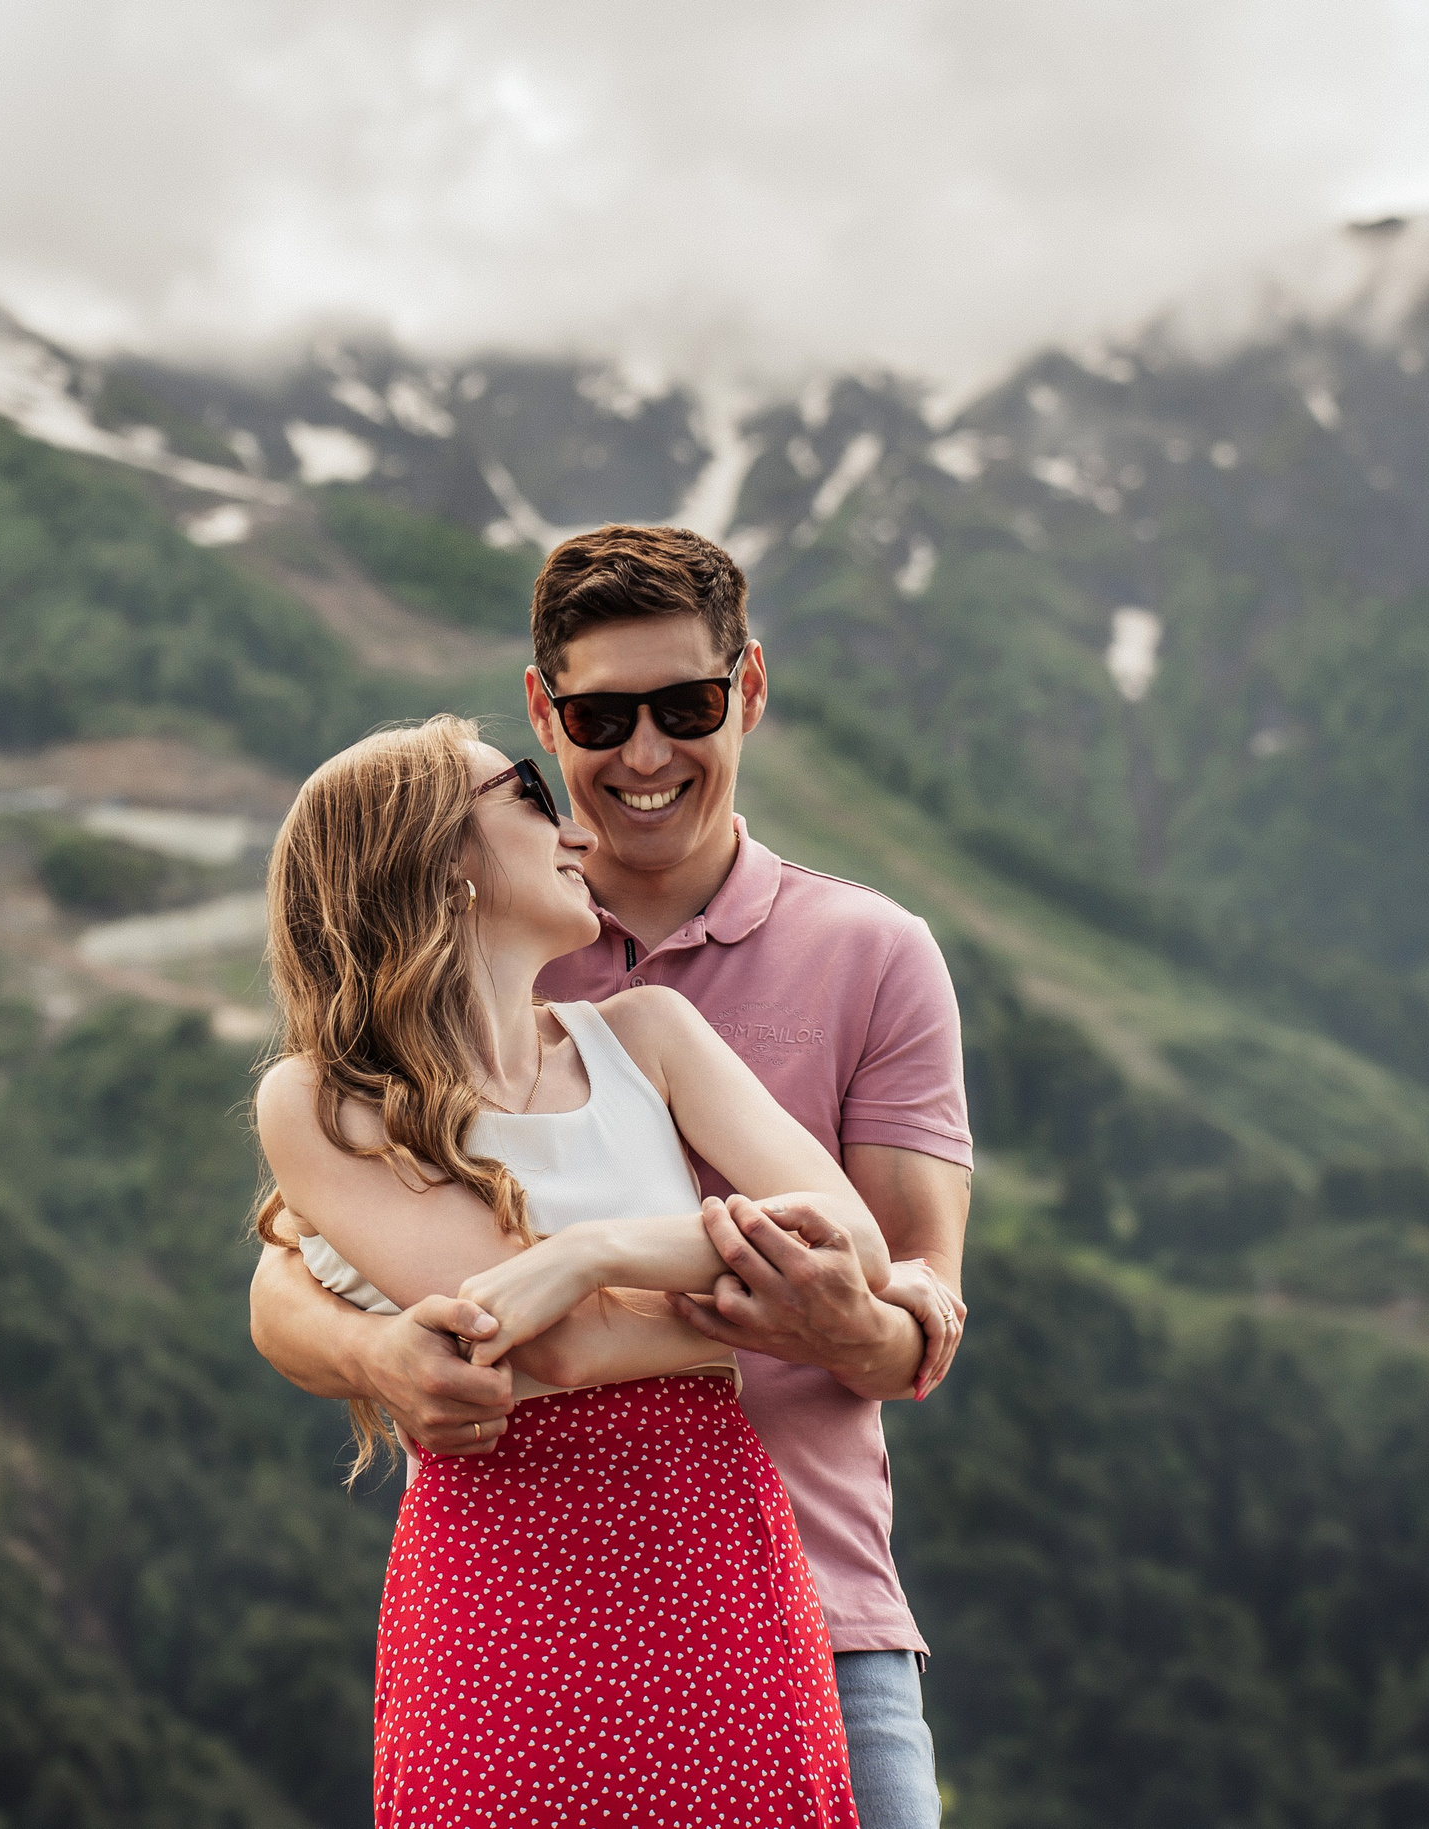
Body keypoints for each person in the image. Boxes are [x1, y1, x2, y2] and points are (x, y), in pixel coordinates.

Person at [251, 524, 973, 1829]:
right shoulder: (361, 1080)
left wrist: (601, 1262)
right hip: (514, 1586)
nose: (640, 753)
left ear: (747, 689)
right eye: (589, 724)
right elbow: (317, 1288)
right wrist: (383, 1359)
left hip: (805, 1595)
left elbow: (895, 1276)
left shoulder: (848, 960)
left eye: (687, 704)